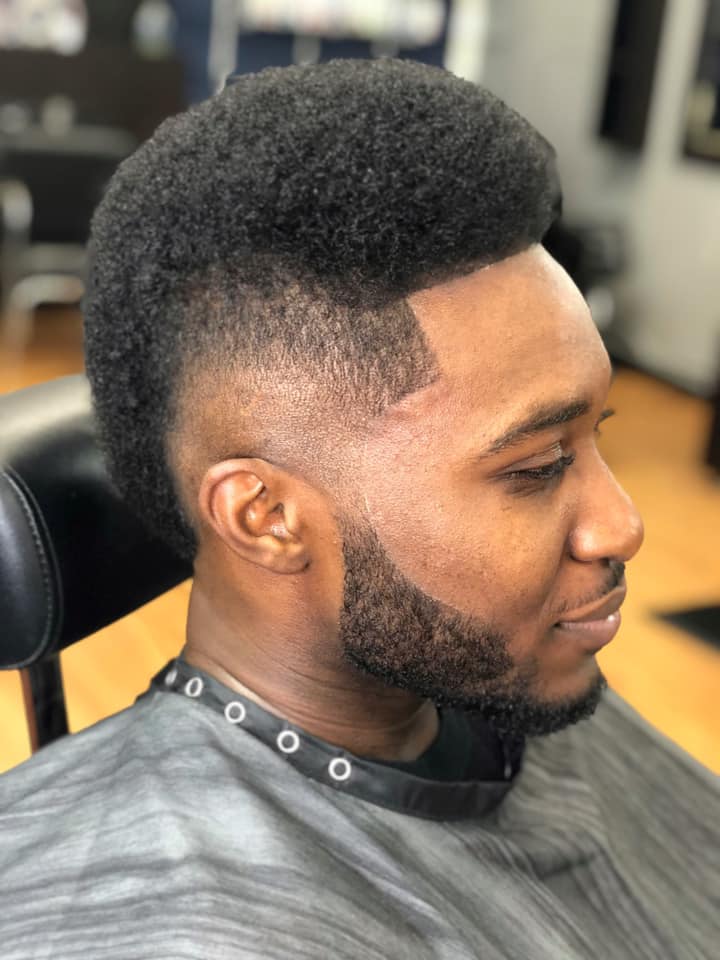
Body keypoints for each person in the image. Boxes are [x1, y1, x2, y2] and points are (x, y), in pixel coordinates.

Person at [0, 58, 717, 959]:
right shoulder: (175, 933)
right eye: (538, 468)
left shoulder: (492, 676)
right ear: (266, 516)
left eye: (595, 434)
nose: (623, 525)